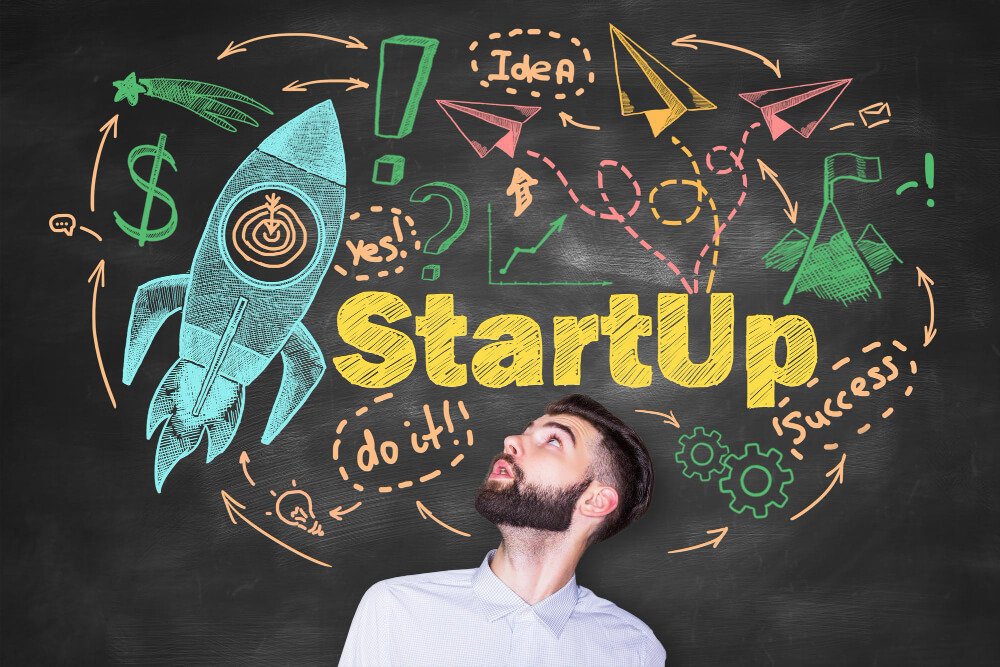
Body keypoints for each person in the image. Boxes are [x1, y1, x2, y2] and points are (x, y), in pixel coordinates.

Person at [339, 394, 666, 666]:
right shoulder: (395, 608)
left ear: (595, 501)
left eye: (553, 440)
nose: (512, 441)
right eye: (525, 431)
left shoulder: (633, 649)